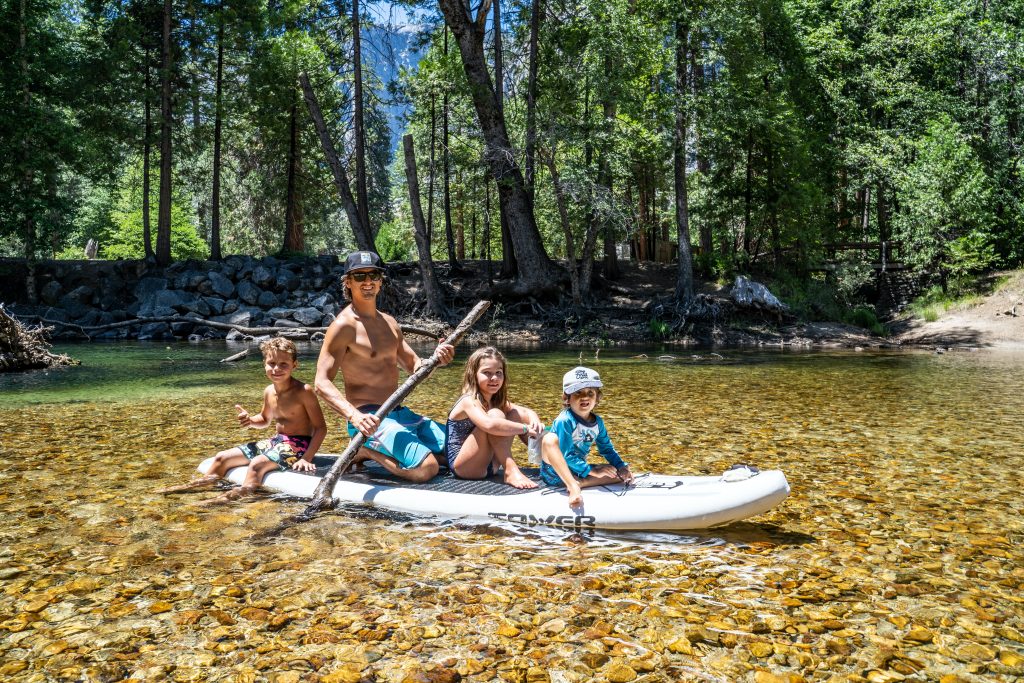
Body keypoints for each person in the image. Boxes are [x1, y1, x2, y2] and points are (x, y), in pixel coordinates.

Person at [314, 251, 454, 482]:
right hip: (369, 419)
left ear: (380, 280)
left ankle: (400, 451)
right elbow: (321, 382)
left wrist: (436, 359)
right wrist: (355, 417)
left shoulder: (390, 323)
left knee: (463, 453)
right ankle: (365, 451)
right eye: (359, 276)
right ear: (348, 282)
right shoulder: (343, 326)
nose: (367, 281)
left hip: (401, 414)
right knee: (427, 469)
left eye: (374, 275)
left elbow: (415, 367)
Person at [159, 337, 327, 502]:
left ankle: (232, 497)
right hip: (277, 441)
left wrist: (307, 458)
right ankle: (197, 486)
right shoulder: (269, 391)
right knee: (221, 458)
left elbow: (321, 428)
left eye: (283, 364)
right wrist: (250, 421)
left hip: (299, 444)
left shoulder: (304, 391)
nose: (276, 368)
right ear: (264, 364)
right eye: (272, 363)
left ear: (294, 365)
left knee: (257, 464)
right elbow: (264, 419)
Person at [446, 346, 543, 489]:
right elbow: (489, 424)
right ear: (473, 374)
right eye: (487, 373)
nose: (494, 378)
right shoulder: (468, 400)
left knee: (514, 414)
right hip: (466, 467)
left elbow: (526, 412)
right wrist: (524, 428)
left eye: (499, 373)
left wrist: (535, 422)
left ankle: (547, 462)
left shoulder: (495, 401)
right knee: (495, 415)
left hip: (491, 465)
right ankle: (510, 469)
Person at [538, 366, 633, 508]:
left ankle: (582, 483)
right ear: (567, 398)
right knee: (549, 439)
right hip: (555, 472)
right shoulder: (565, 421)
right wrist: (593, 471)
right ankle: (573, 486)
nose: (585, 397)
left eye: (590, 392)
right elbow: (566, 455)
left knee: (620, 474)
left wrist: (621, 466)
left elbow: (607, 449)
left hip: (578, 470)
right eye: (578, 392)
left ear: (597, 397)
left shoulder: (598, 422)